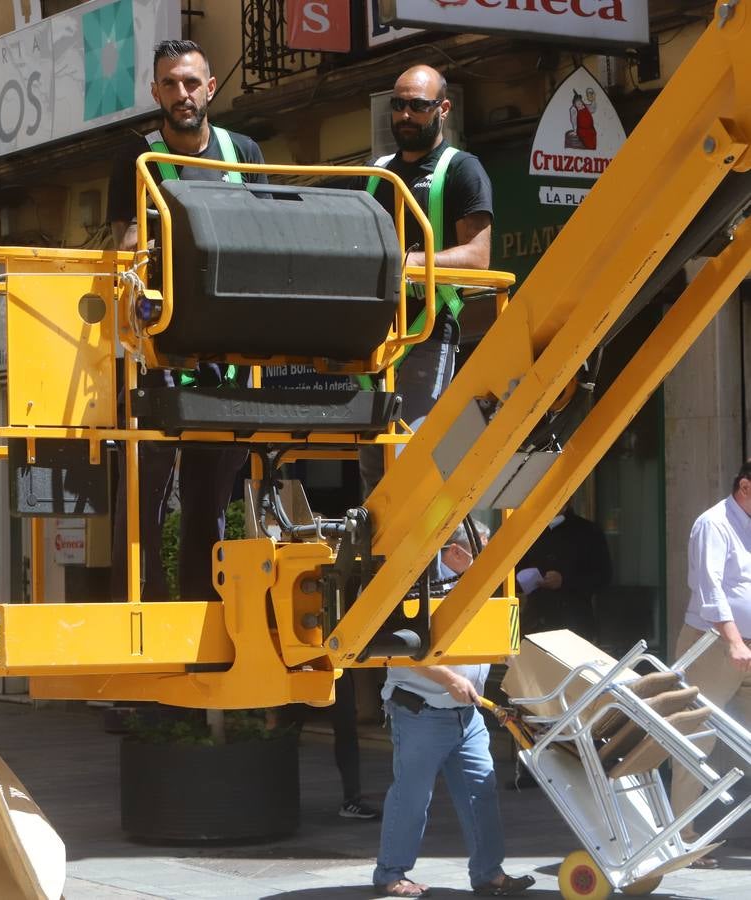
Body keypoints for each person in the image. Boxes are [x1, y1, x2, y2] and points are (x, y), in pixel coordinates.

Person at [105, 38, 267, 602]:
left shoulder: (243, 151)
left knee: (209, 497)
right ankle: (138, 615)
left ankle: (205, 617)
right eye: (171, 84)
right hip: (155, 348)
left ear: (211, 87)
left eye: (192, 82)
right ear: (155, 92)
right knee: (144, 488)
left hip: (226, 351)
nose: (182, 94)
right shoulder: (136, 157)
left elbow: (268, 236)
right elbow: (121, 244)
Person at [373, 519, 535, 898]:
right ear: (456, 551)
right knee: (412, 797)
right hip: (421, 712)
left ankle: (488, 873)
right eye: (481, 548)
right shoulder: (415, 584)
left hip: (467, 714)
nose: (487, 557)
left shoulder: (475, 585)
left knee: (481, 790)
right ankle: (390, 875)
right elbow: (398, 649)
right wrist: (449, 680)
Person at [357, 64, 494, 494]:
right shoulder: (377, 172)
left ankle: (426, 563)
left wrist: (408, 264)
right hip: (374, 342)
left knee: (412, 467)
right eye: (398, 105)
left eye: (417, 105)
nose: (405, 115)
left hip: (427, 334)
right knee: (375, 471)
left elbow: (478, 256)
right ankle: (381, 563)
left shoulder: (462, 169)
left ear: (443, 109)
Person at [669, 460, 751, 864]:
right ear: (745, 487)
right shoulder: (713, 523)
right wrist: (735, 641)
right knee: (695, 735)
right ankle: (683, 835)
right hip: (715, 643)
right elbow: (710, 589)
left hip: (745, 645)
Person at [276, 670, 379, 820]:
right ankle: (280, 800)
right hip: (299, 665)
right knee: (288, 734)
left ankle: (352, 799)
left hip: (330, 665)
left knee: (346, 730)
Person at [516, 504, 611, 637]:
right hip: (535, 622)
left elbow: (603, 577)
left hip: (574, 624)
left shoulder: (588, 531)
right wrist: (523, 581)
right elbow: (510, 575)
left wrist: (564, 580)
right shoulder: (529, 529)